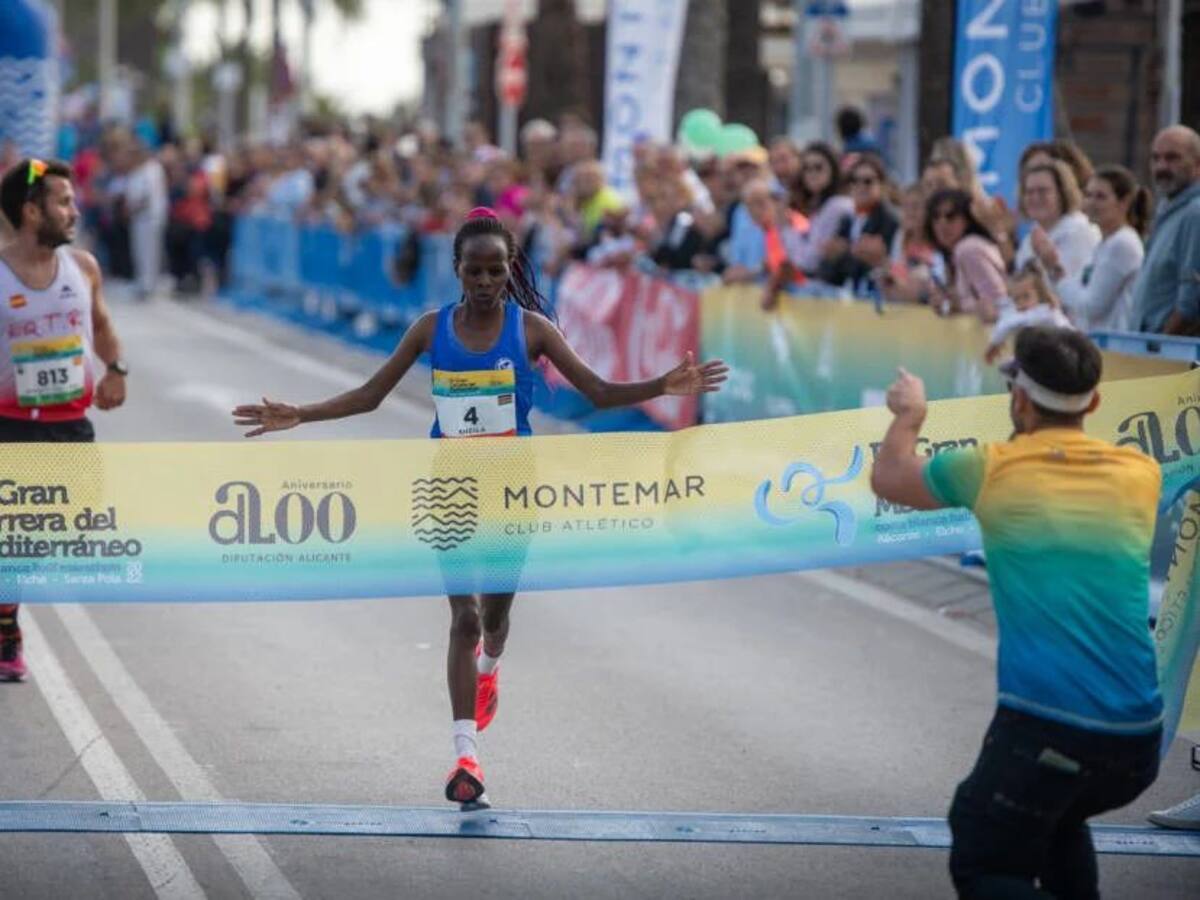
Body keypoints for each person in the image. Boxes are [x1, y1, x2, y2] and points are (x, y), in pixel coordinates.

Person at [232, 208, 727, 807]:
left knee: (493, 620)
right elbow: (370, 395)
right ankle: (465, 756)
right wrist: (300, 414)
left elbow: (596, 391)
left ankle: (490, 666)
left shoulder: (533, 330)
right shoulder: (430, 328)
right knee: (462, 619)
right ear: (458, 270)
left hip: (512, 487)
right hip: (451, 487)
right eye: (475, 271)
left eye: (496, 270)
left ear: (510, 268)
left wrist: (661, 387)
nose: (487, 281)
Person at [871, 326, 1163, 899]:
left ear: (1020, 399)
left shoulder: (992, 467)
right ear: (1094, 404)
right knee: (1055, 820)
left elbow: (889, 478)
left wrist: (911, 414)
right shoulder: (1140, 473)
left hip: (1049, 725)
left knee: (983, 857)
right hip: (1139, 741)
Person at [0, 158, 129, 682]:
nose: (74, 211)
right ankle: (6, 628)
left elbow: (102, 325)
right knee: (13, 534)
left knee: (69, 522)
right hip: (9, 425)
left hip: (71, 424)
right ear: (32, 211)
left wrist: (115, 369)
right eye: (64, 202)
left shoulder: (84, 268)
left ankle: (5, 603)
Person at [1051, 165, 1150, 332]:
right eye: (1088, 195)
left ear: (1124, 202)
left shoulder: (1123, 244)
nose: (1091, 203)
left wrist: (1059, 278)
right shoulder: (1104, 243)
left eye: (1100, 197)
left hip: (1115, 342)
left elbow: (1091, 306)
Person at [1128, 125, 1200, 335]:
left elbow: (1190, 300)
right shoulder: (1169, 209)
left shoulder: (1195, 213)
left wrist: (1158, 344)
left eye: (1172, 158)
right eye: (1155, 158)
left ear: (1197, 164)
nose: (1161, 167)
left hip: (1168, 349)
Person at [816, 153, 898, 296]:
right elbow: (831, 269)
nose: (860, 186)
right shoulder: (847, 219)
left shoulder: (889, 221)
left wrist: (846, 252)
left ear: (882, 185)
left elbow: (879, 268)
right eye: (854, 180)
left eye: (867, 181)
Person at [924, 188, 1006, 323]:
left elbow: (999, 302)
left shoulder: (969, 248)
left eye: (951, 216)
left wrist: (955, 305)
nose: (942, 223)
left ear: (967, 219)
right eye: (936, 217)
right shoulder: (946, 254)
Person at [1015, 161, 1099, 282]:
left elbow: (1075, 287)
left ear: (1062, 193)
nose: (1035, 197)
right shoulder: (1029, 241)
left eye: (1043, 191)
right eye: (1029, 192)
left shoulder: (1081, 232)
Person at [785, 142, 853, 276]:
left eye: (818, 167)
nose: (812, 173)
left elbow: (807, 262)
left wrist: (786, 228)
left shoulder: (837, 206)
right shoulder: (818, 206)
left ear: (832, 169)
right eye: (806, 168)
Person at [984, 261, 1072, 363]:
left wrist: (994, 345)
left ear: (1040, 294)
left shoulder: (1046, 312)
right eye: (1016, 299)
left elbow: (1007, 324)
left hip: (1056, 359)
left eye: (1026, 297)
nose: (1021, 303)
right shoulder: (1019, 313)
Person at [121, 139, 169, 300]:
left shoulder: (152, 170)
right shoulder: (135, 171)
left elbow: (148, 196)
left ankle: (148, 285)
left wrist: (134, 208)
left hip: (149, 217)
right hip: (138, 218)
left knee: (150, 252)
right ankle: (142, 281)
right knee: (139, 251)